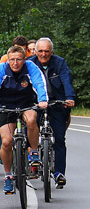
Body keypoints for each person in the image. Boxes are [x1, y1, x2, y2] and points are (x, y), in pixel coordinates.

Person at [0, 45, 49, 194]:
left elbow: (40, 83)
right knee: (6, 142)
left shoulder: (31, 67)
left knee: (32, 119)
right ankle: (8, 176)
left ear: (24, 59)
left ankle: (33, 151)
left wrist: (42, 100)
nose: (15, 63)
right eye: (12, 60)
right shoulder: (1, 70)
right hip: (6, 107)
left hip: (26, 104)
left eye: (19, 60)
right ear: (8, 60)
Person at [28, 37, 76, 187]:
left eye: (47, 51)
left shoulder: (59, 62)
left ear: (52, 52)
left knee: (60, 138)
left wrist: (69, 98)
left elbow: (66, 80)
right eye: (40, 51)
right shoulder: (29, 63)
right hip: (35, 102)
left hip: (56, 102)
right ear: (35, 51)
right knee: (29, 126)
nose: (43, 54)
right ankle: (32, 158)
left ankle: (59, 173)